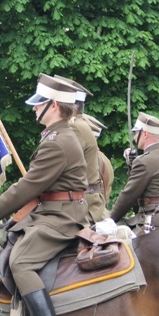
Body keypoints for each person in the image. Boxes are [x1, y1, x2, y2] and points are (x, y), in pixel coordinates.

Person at [0, 73, 89, 316]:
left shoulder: (57, 142)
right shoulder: (57, 137)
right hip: (52, 212)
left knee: (20, 262)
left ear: (55, 106)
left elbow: (24, 188)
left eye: (39, 104)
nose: (34, 108)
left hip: (61, 217)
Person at [109, 112, 159, 235]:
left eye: (136, 133)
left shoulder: (144, 161)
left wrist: (110, 220)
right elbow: (153, 180)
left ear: (144, 134)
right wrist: (133, 164)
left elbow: (129, 195)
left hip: (154, 219)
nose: (134, 137)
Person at [54, 76, 107, 224]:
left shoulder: (74, 126)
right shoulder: (81, 123)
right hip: (84, 200)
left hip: (80, 205)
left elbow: (65, 168)